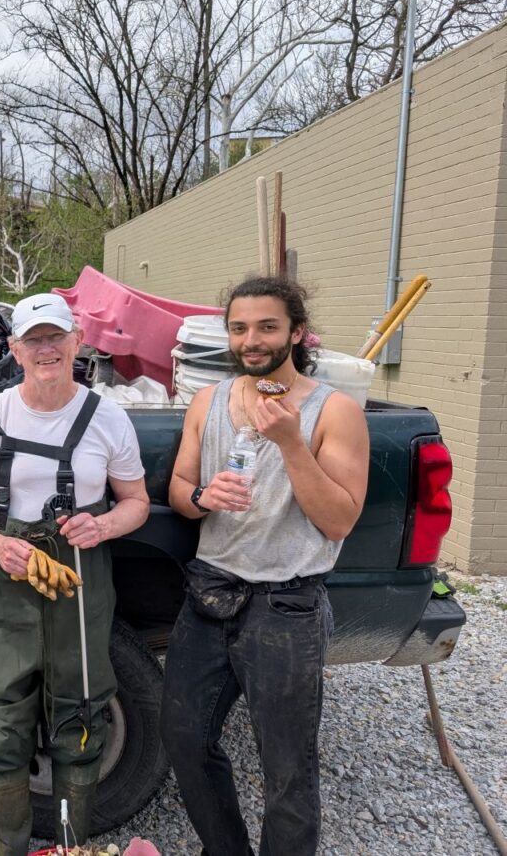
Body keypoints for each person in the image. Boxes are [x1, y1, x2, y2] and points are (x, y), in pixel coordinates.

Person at [162, 276, 370, 856]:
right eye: (239, 328)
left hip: (287, 605)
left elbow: (339, 521)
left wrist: (291, 444)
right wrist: (203, 496)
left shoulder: (335, 411)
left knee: (287, 768)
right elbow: (180, 488)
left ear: (297, 333)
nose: (251, 340)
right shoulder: (208, 402)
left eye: (267, 327)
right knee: (183, 739)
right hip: (210, 592)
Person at [0, 292, 150, 855]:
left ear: (77, 343)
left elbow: (136, 502)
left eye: (56, 336)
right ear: (15, 350)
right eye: (33, 339)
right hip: (1, 581)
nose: (46, 349)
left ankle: (69, 846)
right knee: (2, 721)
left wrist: (102, 526)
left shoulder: (108, 419)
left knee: (81, 711)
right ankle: (10, 847)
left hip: (80, 578)